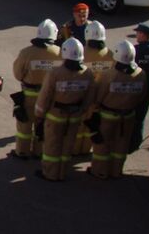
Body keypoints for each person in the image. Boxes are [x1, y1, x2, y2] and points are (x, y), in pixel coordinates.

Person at [84, 40, 149, 179]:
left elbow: (99, 96)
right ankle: (116, 171)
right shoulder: (141, 74)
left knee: (102, 145)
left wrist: (93, 111)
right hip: (128, 116)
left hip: (108, 115)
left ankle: (100, 171)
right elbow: (142, 95)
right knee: (121, 145)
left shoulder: (109, 75)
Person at [34, 38, 93, 181]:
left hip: (55, 116)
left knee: (52, 146)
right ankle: (62, 172)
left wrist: (39, 114)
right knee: (68, 145)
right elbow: (90, 96)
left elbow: (45, 95)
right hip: (74, 116)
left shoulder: (55, 73)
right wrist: (82, 110)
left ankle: (50, 173)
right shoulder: (87, 73)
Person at [10, 19, 61, 159]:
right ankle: (40, 152)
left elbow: (18, 74)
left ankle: (22, 151)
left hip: (29, 95)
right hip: (50, 98)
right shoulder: (60, 53)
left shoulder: (26, 53)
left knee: (24, 126)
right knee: (43, 124)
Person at [73, 21, 115, 156]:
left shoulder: (81, 53)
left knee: (79, 126)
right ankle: (86, 149)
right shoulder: (111, 55)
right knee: (93, 125)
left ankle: (74, 150)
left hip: (82, 96)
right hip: (102, 98)